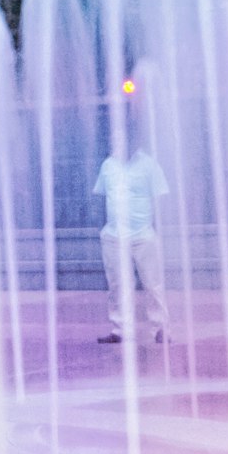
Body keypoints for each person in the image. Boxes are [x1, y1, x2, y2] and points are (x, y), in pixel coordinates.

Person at [96, 133, 168, 345]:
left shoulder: (149, 165)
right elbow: (102, 197)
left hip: (143, 235)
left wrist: (156, 229)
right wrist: (105, 229)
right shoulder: (108, 166)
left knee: (153, 284)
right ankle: (120, 330)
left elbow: (159, 199)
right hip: (113, 235)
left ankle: (160, 329)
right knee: (117, 285)